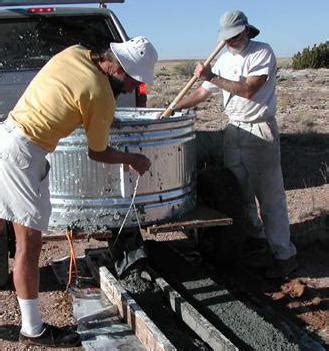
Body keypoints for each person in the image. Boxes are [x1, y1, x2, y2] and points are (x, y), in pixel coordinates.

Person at [0, 36, 157, 348]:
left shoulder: (74, 53)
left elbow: (65, 97)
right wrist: (132, 159)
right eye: (131, 81)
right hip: (21, 155)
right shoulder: (101, 94)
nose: (130, 89)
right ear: (119, 70)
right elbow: (97, 153)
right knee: (28, 245)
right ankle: (32, 330)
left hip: (7, 135)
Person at [174, 10, 297, 279]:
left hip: (260, 129)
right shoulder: (224, 58)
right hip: (233, 130)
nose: (230, 42)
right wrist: (173, 107)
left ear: (246, 31)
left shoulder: (262, 53)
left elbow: (249, 89)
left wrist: (210, 76)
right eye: (226, 38)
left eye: (234, 37)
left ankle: (283, 255)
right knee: (240, 193)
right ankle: (257, 242)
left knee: (270, 197)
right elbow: (203, 93)